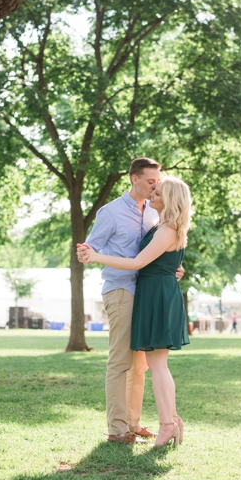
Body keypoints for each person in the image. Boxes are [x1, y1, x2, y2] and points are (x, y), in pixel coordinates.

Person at [78, 177, 192, 448]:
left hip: (157, 296)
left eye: (159, 191)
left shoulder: (167, 228)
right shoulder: (163, 224)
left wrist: (96, 257)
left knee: (158, 366)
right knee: (157, 365)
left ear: (171, 199)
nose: (153, 193)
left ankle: (167, 425)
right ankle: (172, 421)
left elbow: (138, 262)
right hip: (154, 293)